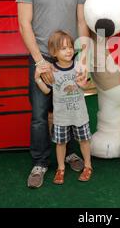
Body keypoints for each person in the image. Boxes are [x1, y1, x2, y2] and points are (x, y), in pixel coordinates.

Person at [16, 0, 90, 188]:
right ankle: (40, 162)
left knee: (67, 109)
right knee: (39, 115)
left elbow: (82, 21)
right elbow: (24, 25)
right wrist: (40, 61)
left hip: (69, 61)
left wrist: (82, 58)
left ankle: (69, 152)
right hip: (42, 58)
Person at [35, 31, 93, 184]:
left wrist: (84, 85)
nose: (68, 51)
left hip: (80, 115)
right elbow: (47, 90)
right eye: (63, 48)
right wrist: (37, 79)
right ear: (54, 53)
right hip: (61, 117)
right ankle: (61, 168)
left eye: (70, 47)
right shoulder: (51, 71)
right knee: (60, 143)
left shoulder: (79, 66)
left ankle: (88, 165)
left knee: (84, 141)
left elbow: (88, 86)